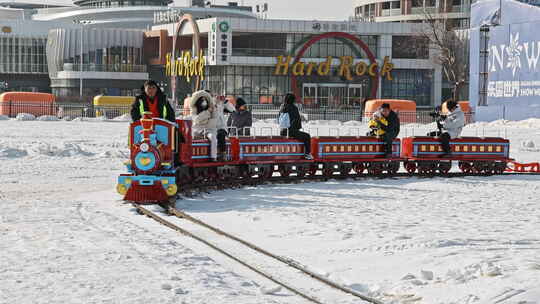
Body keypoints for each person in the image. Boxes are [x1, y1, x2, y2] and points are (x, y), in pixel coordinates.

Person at [279, 93, 313, 160]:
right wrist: (297, 128)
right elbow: (296, 120)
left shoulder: (282, 107)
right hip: (291, 131)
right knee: (307, 136)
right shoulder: (293, 107)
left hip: (283, 131)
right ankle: (307, 154)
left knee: (300, 135)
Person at [189, 90, 219, 161]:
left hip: (208, 130)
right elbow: (197, 119)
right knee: (189, 137)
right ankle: (190, 155)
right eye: (202, 100)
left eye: (205, 100)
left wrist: (211, 111)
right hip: (196, 130)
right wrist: (207, 112)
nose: (204, 102)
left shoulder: (213, 108)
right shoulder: (194, 109)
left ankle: (213, 156)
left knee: (213, 137)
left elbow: (213, 121)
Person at [215, 95, 236, 161]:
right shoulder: (209, 104)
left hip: (221, 127)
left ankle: (222, 153)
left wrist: (225, 102)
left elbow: (232, 109)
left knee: (221, 134)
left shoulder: (221, 105)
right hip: (210, 127)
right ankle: (217, 153)